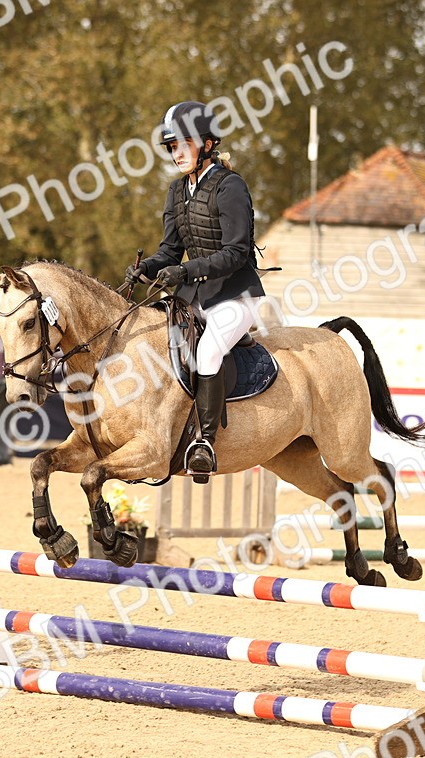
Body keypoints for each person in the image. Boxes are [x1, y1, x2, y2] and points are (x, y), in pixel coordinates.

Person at [125, 100, 266, 477]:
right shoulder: (176, 191)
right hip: (196, 298)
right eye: (171, 147)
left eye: (183, 144)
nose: (176, 153)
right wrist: (148, 268)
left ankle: (205, 441)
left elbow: (237, 252)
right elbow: (170, 248)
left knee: (206, 352)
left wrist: (185, 272)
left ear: (206, 144)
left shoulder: (230, 186)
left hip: (236, 296)